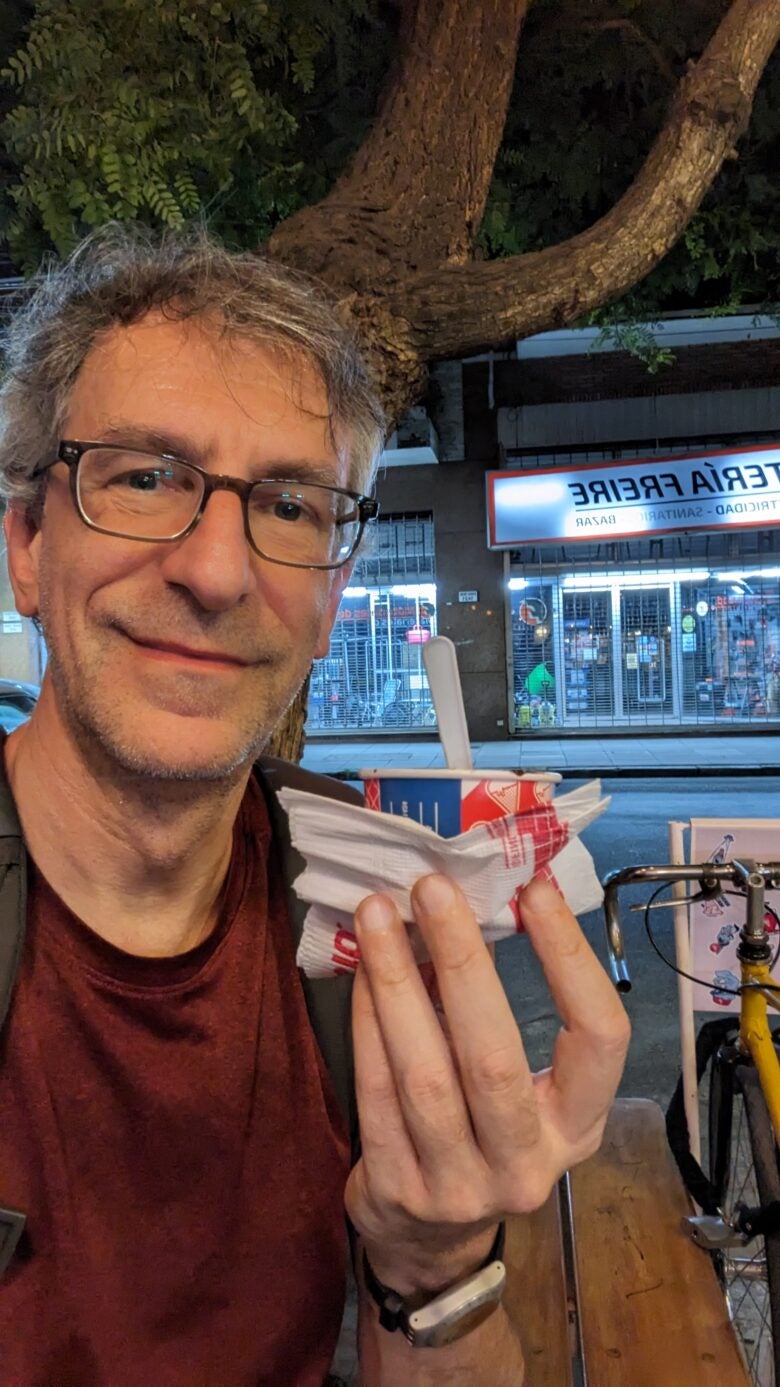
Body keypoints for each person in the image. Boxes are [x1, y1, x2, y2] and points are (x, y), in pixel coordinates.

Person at [0, 226, 630, 1385]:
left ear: (333, 596)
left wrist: (437, 1262)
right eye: (145, 476)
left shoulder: (369, 911)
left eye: (289, 506)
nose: (219, 570)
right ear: (29, 544)